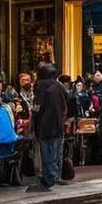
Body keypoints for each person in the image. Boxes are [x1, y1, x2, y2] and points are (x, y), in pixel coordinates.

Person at [31, 64, 69, 192]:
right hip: (58, 123)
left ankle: (48, 179)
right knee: (56, 152)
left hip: (44, 125)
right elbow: (70, 100)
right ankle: (54, 175)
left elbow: (38, 107)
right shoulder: (59, 86)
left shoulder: (41, 86)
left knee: (47, 153)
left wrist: (34, 113)